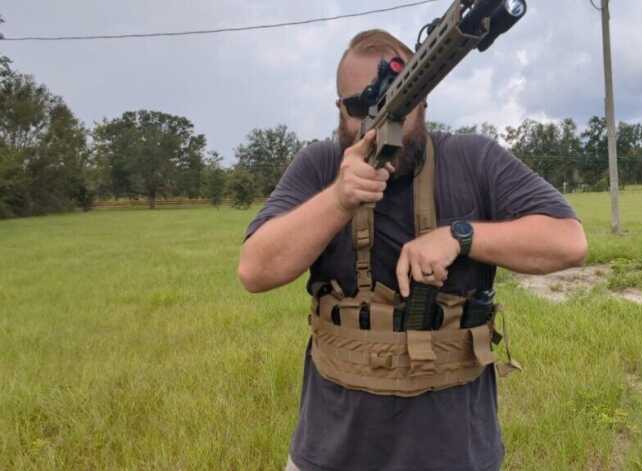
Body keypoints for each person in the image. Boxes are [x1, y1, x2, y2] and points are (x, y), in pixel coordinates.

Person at [238, 29, 587, 471]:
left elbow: (569, 241)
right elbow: (255, 271)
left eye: (400, 103)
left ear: (424, 101)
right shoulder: (320, 166)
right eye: (359, 107)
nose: (379, 121)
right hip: (330, 452)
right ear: (339, 110)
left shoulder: (473, 158)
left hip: (455, 452)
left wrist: (460, 237)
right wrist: (339, 198)